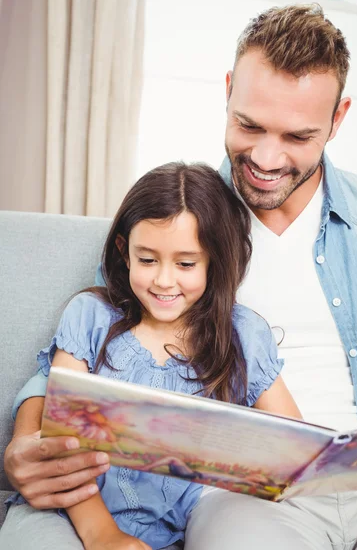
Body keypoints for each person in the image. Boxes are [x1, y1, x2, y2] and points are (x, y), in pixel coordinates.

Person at [3, 2, 357, 549]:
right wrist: (26, 444)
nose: (265, 156)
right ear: (229, 90)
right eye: (249, 124)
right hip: (241, 496)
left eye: (297, 137)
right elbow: (72, 370)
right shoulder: (171, 224)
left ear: (338, 119)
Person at [0, 162, 300, 550]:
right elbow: (62, 442)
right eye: (147, 260)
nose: (163, 280)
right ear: (125, 252)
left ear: (216, 259)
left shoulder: (243, 334)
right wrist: (102, 534)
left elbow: (295, 446)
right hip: (71, 510)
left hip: (187, 521)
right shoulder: (89, 316)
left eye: (186, 264)